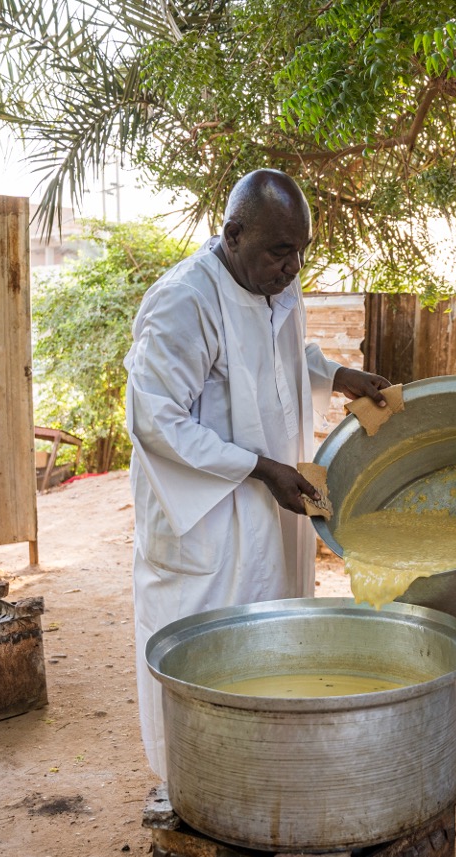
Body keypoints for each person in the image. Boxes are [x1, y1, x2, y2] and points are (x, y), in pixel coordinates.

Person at [124, 169, 390, 780]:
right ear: (233, 233)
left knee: (279, 645)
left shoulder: (274, 283)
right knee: (209, 661)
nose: (293, 266)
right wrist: (259, 467)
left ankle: (270, 781)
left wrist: (336, 375)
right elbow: (155, 419)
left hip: (274, 502)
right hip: (210, 522)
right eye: (280, 251)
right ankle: (197, 787)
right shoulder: (184, 301)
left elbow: (275, 354)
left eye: (301, 251)